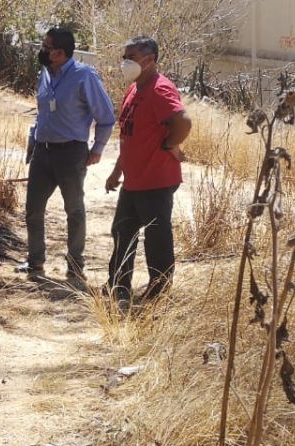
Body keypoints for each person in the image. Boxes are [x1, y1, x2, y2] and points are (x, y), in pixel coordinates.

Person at [17, 27, 116, 282]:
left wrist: (97, 149)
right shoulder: (45, 73)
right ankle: (35, 263)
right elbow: (42, 112)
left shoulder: (85, 76)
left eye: (46, 47)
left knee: (74, 210)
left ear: (60, 53)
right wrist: (33, 142)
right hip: (43, 152)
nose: (42, 50)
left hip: (71, 153)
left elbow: (105, 117)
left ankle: (75, 267)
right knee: (33, 210)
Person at [104, 36, 192, 303]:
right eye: (125, 57)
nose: (126, 62)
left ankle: (159, 294)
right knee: (122, 233)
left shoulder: (159, 88)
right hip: (133, 180)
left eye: (130, 57)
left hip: (156, 180)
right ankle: (118, 288)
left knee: (156, 239)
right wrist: (117, 172)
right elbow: (130, 137)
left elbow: (183, 121)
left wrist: (169, 144)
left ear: (149, 60)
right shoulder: (134, 89)